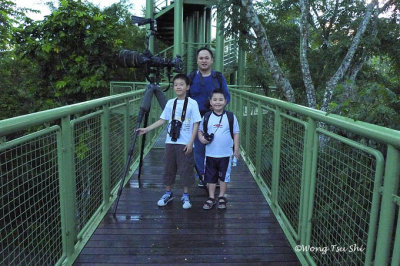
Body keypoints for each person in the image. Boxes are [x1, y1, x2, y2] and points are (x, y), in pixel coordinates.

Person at [137, 73, 201, 209]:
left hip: (185, 142)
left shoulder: (192, 103)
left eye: (181, 84)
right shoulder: (170, 103)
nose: (178, 87)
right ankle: (168, 193)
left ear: (187, 87)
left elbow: (196, 123)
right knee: (168, 168)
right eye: (176, 85)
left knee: (186, 169)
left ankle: (186, 195)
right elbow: (162, 120)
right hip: (171, 141)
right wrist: (146, 129)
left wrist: (191, 142)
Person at [188, 47, 230, 186]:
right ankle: (203, 177)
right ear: (197, 60)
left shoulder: (218, 77)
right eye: (201, 58)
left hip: (215, 117)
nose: (204, 61)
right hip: (197, 119)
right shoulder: (191, 77)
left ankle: (216, 176)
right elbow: (185, 98)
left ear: (212, 60)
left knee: (216, 148)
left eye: (207, 58)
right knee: (199, 148)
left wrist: (217, 106)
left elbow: (227, 96)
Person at [197, 89, 240, 210]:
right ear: (210, 102)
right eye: (214, 100)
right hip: (210, 154)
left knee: (224, 177)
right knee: (210, 176)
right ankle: (211, 197)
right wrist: (201, 139)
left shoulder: (230, 116)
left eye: (221, 100)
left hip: (226, 154)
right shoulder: (207, 116)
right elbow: (200, 130)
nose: (217, 102)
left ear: (225, 101)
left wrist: (236, 149)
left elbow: (236, 132)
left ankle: (221, 196)